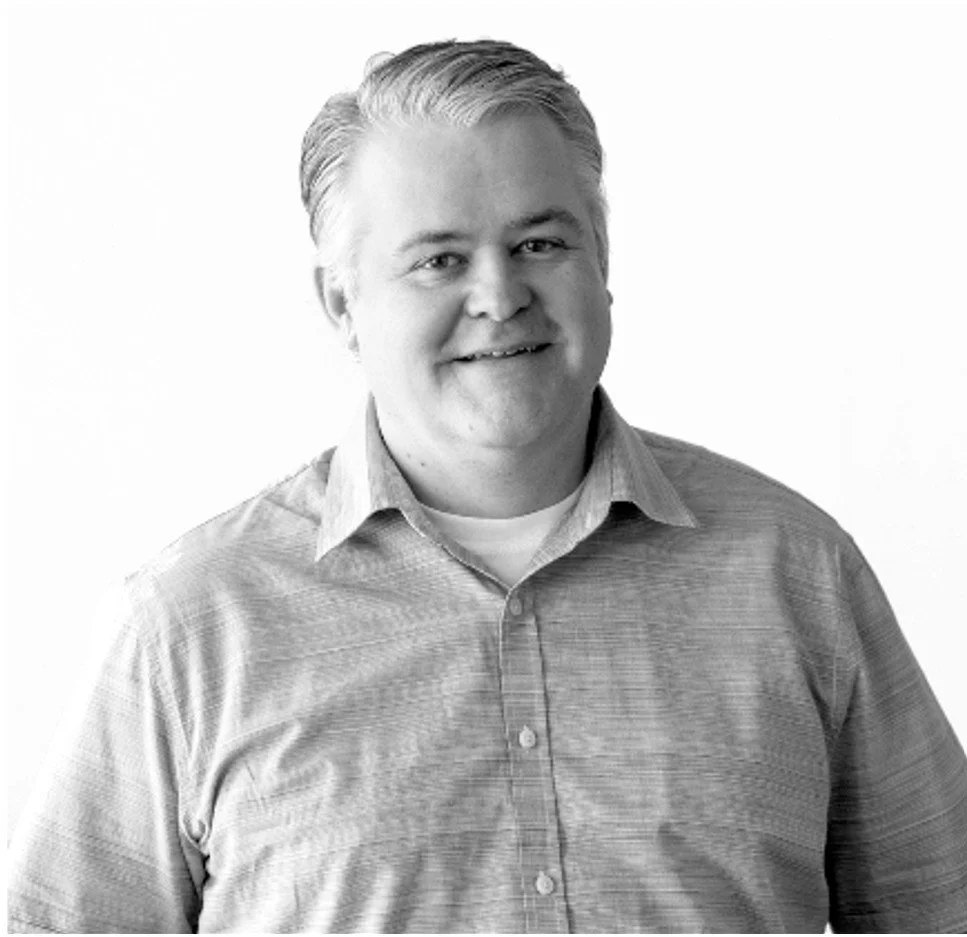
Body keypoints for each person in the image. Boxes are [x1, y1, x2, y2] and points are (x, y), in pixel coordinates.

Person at [7, 38, 966, 934]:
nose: (499, 295)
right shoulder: (189, 626)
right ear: (341, 302)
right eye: (439, 259)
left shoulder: (796, 571)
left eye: (541, 243)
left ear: (602, 260)